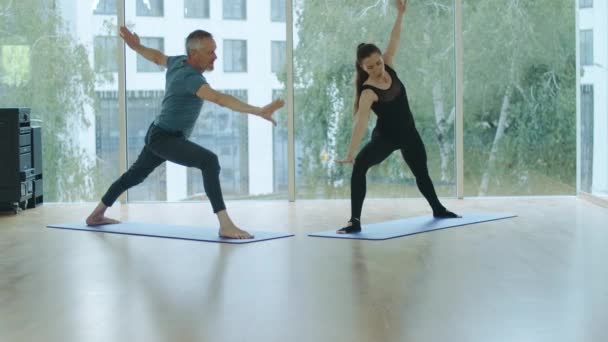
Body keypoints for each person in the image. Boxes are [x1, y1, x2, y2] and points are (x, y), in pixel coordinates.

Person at [86, 27, 284, 239]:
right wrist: (257, 111)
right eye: (210, 52)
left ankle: (96, 215)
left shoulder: (178, 62)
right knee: (209, 161)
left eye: (215, 51)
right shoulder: (191, 78)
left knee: (134, 176)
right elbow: (219, 98)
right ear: (195, 54)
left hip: (160, 134)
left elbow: (156, 57)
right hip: (164, 138)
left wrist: (137, 46)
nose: (215, 56)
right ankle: (225, 224)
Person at [336, 0, 459, 234]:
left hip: (409, 133)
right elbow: (360, 123)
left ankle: (438, 209)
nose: (377, 68)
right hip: (386, 138)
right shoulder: (368, 92)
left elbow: (394, 38)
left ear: (382, 58)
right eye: (370, 67)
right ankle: (354, 221)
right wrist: (351, 152)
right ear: (363, 68)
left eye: (378, 62)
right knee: (360, 166)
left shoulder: (389, 66)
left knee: (422, 173)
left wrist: (400, 14)